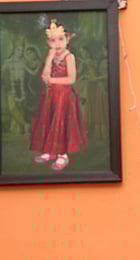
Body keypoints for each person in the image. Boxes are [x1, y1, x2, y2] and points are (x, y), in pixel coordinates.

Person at [30, 19, 89, 171]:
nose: (57, 44)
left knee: (61, 123)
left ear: (68, 39)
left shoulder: (69, 57)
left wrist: (52, 80)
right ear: (48, 43)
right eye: (52, 40)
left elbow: (71, 79)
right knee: (49, 121)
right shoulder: (51, 57)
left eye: (61, 39)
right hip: (51, 97)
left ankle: (62, 154)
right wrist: (49, 59)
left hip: (64, 97)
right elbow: (44, 76)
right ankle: (50, 151)